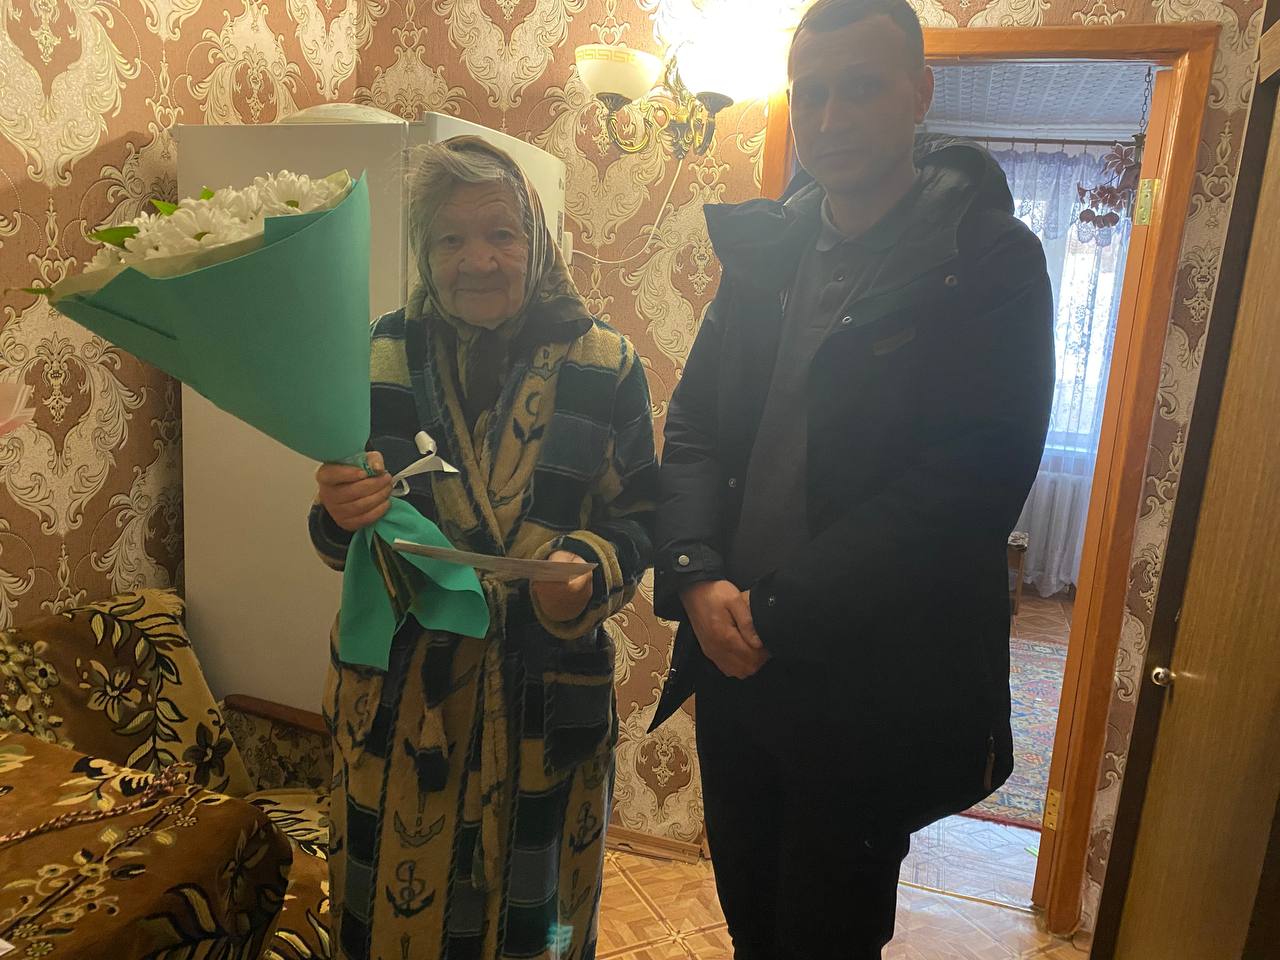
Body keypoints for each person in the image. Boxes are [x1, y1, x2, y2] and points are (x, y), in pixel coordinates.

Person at [648, 0, 1056, 955]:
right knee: (752, 924)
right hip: (733, 656)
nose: (829, 119)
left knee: (827, 935)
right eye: (811, 93)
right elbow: (697, 425)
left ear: (919, 93)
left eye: (860, 89)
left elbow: (970, 480)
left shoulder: (988, 261)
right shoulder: (766, 255)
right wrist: (698, 574)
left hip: (872, 679)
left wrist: (775, 611)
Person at [309, 137, 657, 960]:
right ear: (423, 250)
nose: (478, 260)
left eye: (500, 233)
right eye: (450, 238)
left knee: (542, 926)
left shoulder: (606, 363)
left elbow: (644, 517)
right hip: (404, 705)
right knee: (384, 920)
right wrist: (337, 513)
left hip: (543, 700)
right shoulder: (374, 355)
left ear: (535, 238)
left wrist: (591, 567)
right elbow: (337, 536)